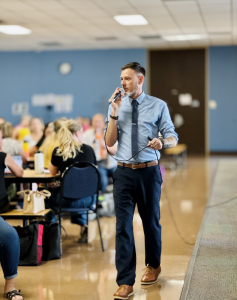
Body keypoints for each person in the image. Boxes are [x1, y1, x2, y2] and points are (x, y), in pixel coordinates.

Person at [105, 62, 178, 299]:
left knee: (150, 222)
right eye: (121, 78)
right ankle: (125, 281)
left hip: (148, 171)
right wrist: (114, 112)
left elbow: (172, 137)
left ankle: (153, 265)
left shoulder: (158, 105)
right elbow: (110, 142)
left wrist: (162, 142)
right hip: (124, 172)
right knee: (122, 227)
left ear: (140, 79)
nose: (122, 83)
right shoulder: (116, 105)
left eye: (127, 78)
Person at [48, 119, 97, 242]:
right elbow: (94, 172)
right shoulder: (89, 150)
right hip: (88, 200)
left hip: (63, 201)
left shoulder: (59, 151)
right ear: (76, 133)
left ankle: (54, 231)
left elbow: (52, 172)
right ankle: (83, 225)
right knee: (79, 189)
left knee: (47, 198)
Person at [0, 130, 24, 299]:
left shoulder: (2, 156)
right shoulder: (3, 156)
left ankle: (10, 286)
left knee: (9, 235)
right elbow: (20, 173)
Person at [83, 114, 117, 192]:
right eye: (95, 122)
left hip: (112, 163)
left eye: (99, 122)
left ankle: (116, 197)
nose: (97, 124)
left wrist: (103, 144)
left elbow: (116, 150)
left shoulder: (110, 133)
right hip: (98, 163)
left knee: (119, 177)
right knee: (103, 180)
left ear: (103, 123)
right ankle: (102, 197)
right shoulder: (86, 135)